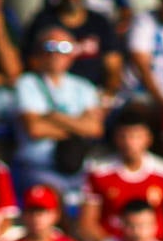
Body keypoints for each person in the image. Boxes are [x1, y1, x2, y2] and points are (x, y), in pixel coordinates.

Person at [14, 28, 104, 199]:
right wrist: (77, 126)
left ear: (72, 55)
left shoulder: (84, 86)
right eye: (50, 47)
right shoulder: (27, 83)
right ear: (39, 52)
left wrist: (53, 117)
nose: (56, 54)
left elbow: (95, 128)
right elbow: (35, 129)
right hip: (39, 167)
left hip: (77, 166)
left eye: (63, 48)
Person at [81, 110, 163, 241]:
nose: (130, 143)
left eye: (136, 136)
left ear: (148, 139)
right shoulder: (99, 173)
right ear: (116, 139)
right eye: (124, 136)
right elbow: (87, 223)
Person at [25, 0, 122, 93]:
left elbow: (114, 68)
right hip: (51, 95)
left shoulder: (100, 23)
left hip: (94, 97)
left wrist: (106, 99)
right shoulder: (43, 20)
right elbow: (31, 63)